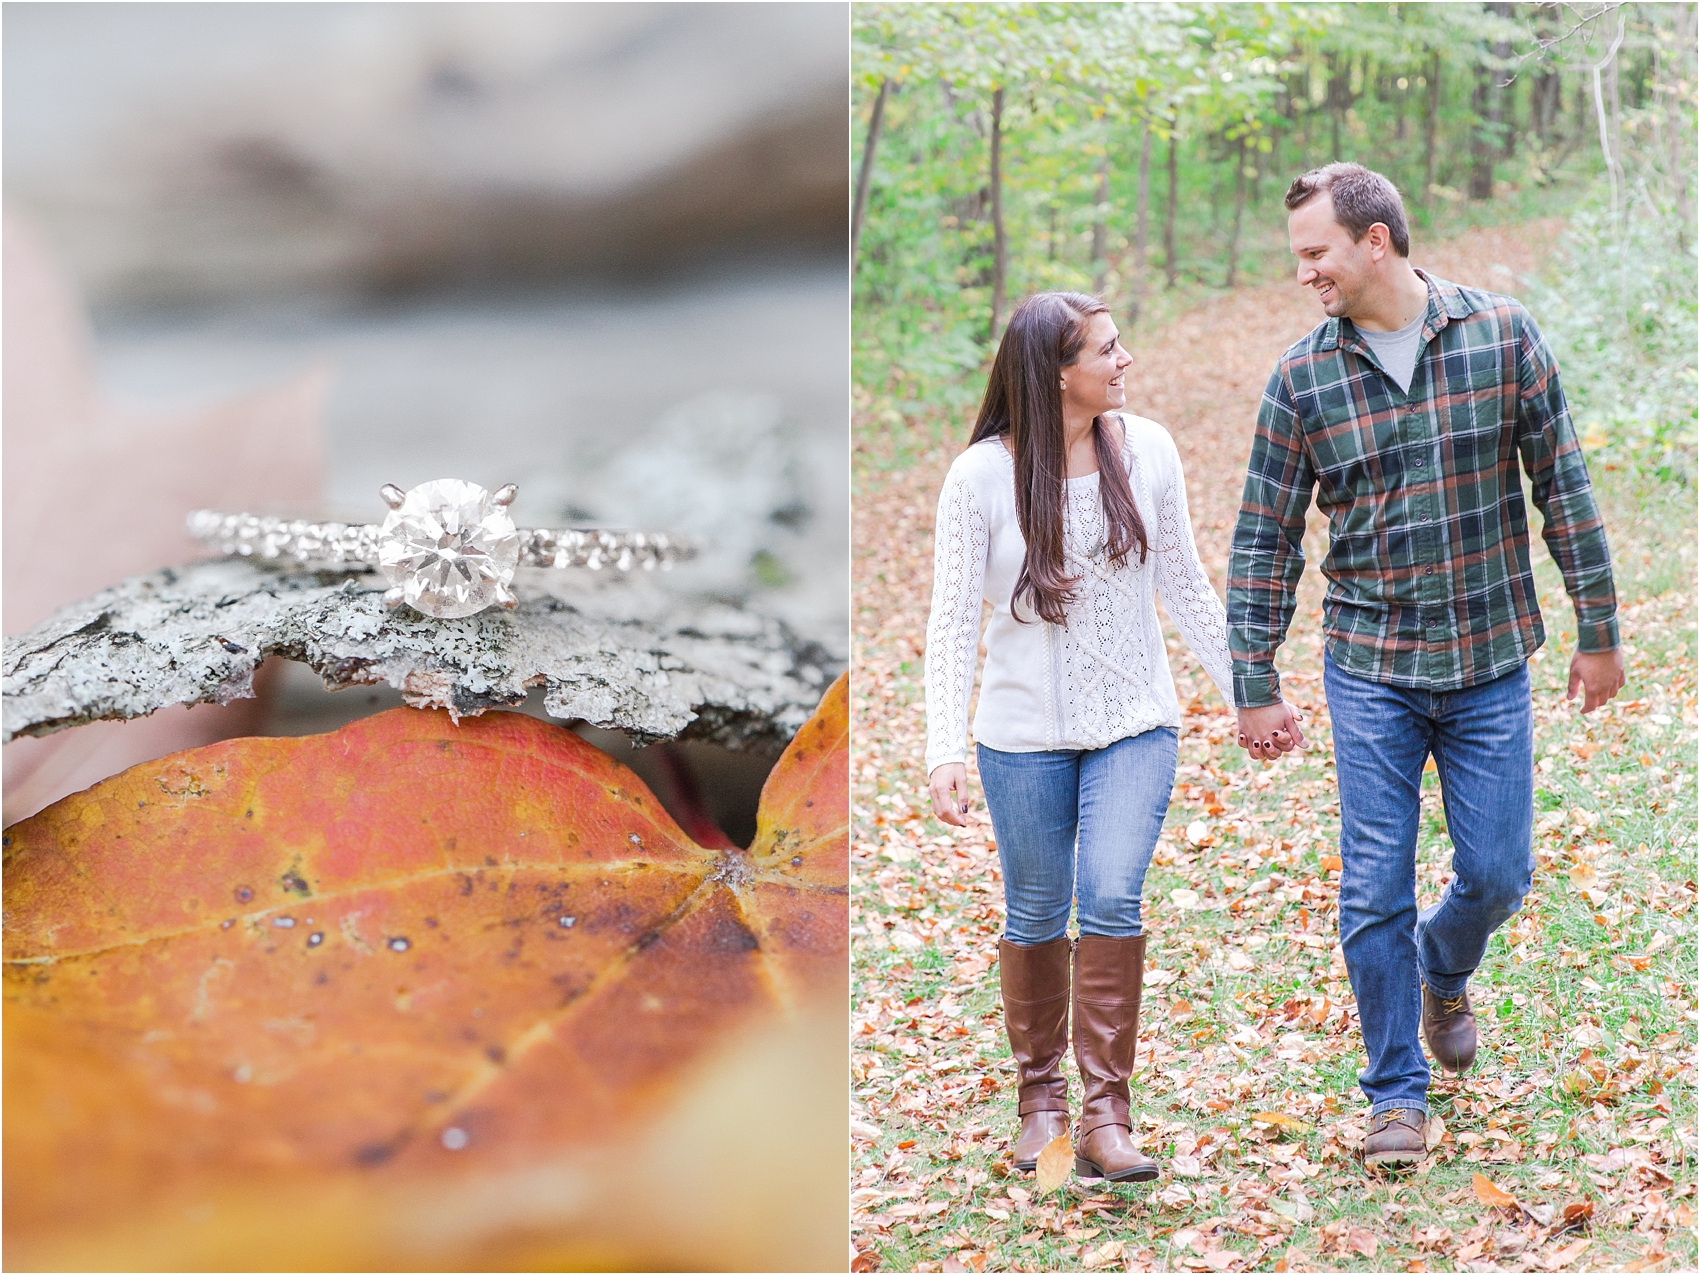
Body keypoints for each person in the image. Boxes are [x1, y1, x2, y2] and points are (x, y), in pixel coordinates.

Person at [1227, 163, 1624, 1170]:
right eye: (1297, 257)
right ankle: (1394, 1095)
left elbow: (1562, 485)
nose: (1303, 273)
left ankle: (1442, 968)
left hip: (1489, 656)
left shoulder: (1499, 334)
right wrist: (1254, 677)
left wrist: (1597, 626)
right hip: (1370, 668)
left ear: (1374, 240)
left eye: (1315, 252)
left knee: (1496, 872)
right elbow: (1264, 537)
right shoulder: (1300, 378)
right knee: (1372, 888)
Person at [924, 291, 1233, 1184]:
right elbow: (949, 625)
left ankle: (1106, 1115)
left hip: (1135, 723)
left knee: (1109, 894)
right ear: (1057, 373)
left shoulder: (1150, 450)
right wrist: (945, 745)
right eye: (1106, 348)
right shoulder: (979, 477)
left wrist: (1250, 694)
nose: (1124, 359)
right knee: (1032, 912)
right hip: (1019, 737)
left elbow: (1185, 585)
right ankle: (1041, 1104)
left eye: (1119, 342)